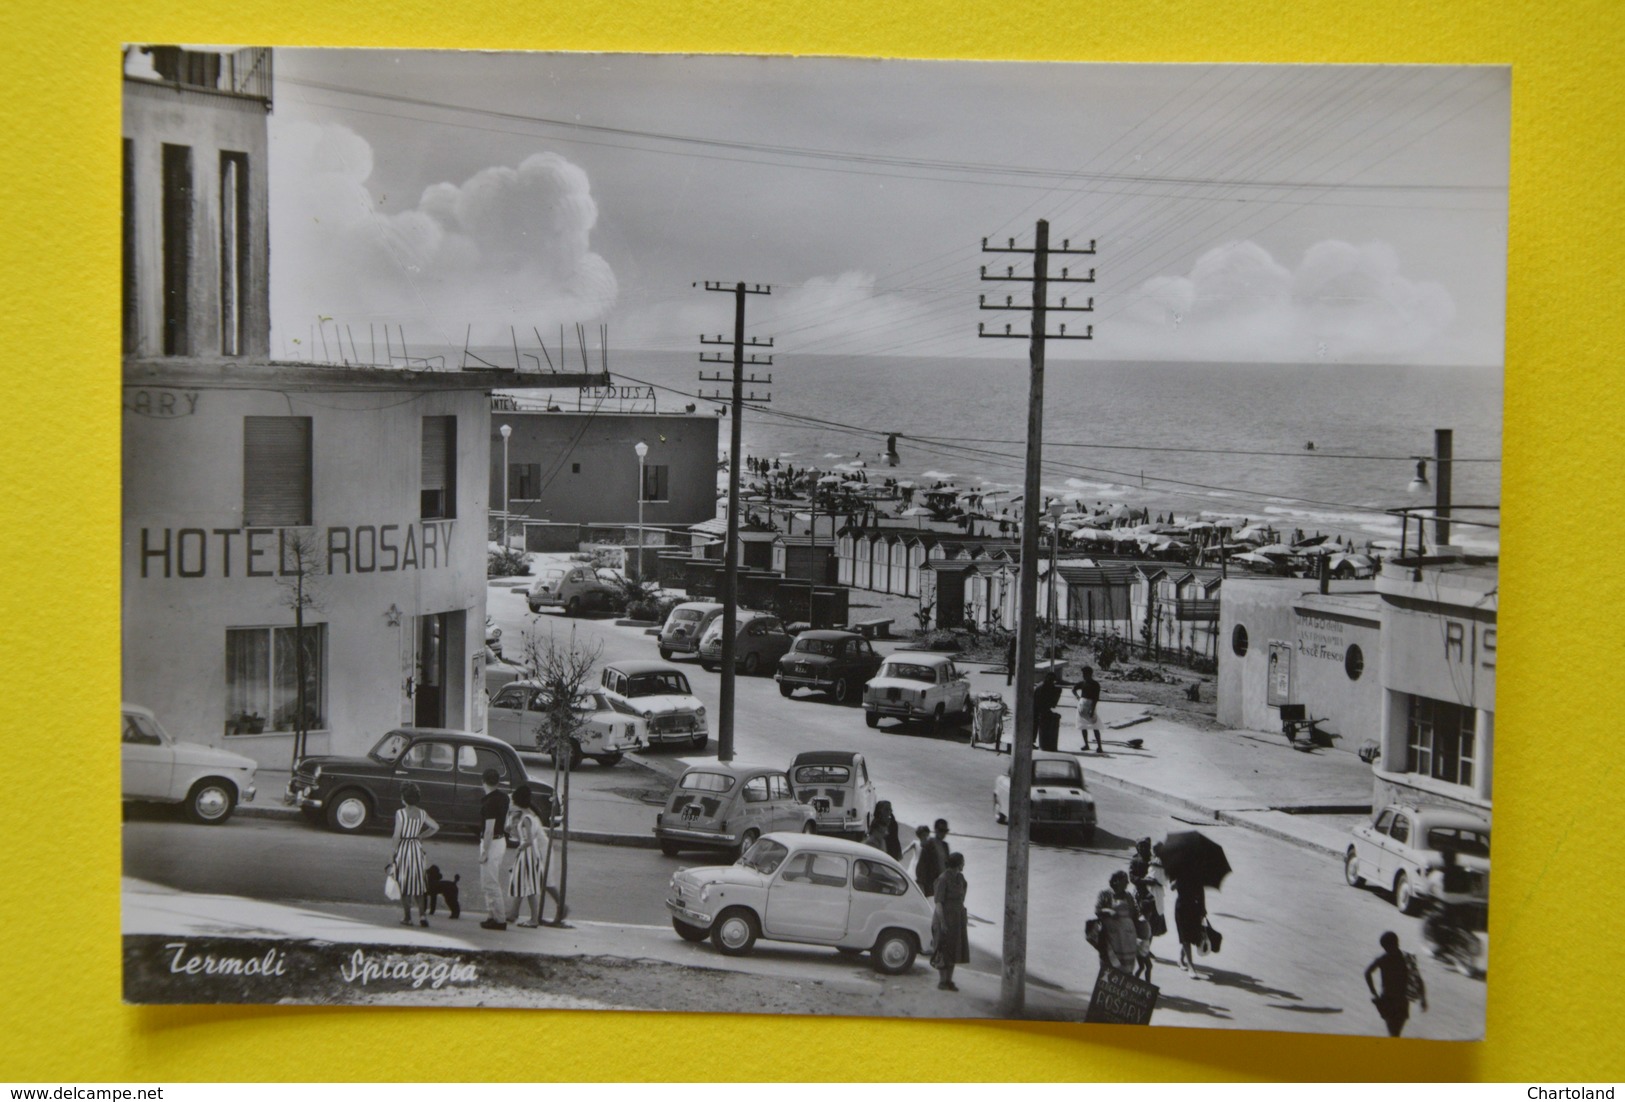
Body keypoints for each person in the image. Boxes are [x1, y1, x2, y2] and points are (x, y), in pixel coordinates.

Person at [389, 782, 440, 927]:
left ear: (403, 798)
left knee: (405, 885)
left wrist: (391, 855)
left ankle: (408, 918)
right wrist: (422, 835)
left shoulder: (400, 813)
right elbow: (435, 827)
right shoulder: (422, 813)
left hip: (404, 849)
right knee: (418, 885)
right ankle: (423, 916)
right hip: (416, 849)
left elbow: (396, 836)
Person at [1366, 931, 1426, 1037]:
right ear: (1397, 942)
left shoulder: (1383, 959)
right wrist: (1423, 999)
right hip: (1402, 1001)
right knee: (1396, 1032)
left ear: (1384, 947)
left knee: (1393, 1032)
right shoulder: (1407, 958)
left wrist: (1373, 992)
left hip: (1387, 1000)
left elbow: (1367, 973)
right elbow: (1418, 979)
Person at [505, 785, 547, 928]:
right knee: (521, 883)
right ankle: (513, 913)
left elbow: (528, 840)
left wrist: (520, 848)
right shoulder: (530, 815)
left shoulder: (526, 819)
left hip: (527, 854)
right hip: (531, 854)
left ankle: (534, 919)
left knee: (528, 887)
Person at [930, 852, 970, 991]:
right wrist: (942, 923)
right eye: (963, 861)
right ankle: (942, 981)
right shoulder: (943, 879)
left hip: (957, 919)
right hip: (944, 918)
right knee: (943, 948)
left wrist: (960, 914)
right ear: (957, 863)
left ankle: (949, 981)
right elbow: (939, 903)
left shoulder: (960, 878)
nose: (964, 864)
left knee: (955, 949)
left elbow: (963, 895)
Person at [477, 769, 511, 931]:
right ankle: (492, 915)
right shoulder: (503, 797)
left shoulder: (488, 802)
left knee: (490, 882)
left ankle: (499, 919)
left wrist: (484, 851)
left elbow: (489, 829)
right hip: (500, 840)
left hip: (491, 842)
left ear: (483, 781)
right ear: (497, 782)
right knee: (488, 881)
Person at [1097, 869, 1143, 975]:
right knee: (1109, 963)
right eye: (1124, 881)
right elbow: (1098, 910)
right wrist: (1108, 911)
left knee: (1126, 966)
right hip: (1110, 937)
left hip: (1127, 938)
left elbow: (1136, 914)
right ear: (1116, 881)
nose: (1127, 883)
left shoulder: (1128, 896)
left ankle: (1123, 987)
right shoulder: (1105, 894)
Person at [1172, 873, 1208, 976]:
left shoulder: (1196, 873)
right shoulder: (1177, 870)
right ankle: (1191, 966)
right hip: (1181, 908)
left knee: (1191, 937)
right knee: (1185, 937)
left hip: (1194, 908)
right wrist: (1176, 881)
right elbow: (1171, 887)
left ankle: (1180, 958)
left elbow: (1201, 892)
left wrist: (1203, 909)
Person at [914, 819, 949, 896]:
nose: (943, 833)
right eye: (941, 830)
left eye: (945, 831)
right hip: (931, 884)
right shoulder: (929, 844)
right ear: (935, 830)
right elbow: (921, 866)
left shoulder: (945, 845)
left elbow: (947, 865)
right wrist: (921, 885)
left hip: (942, 884)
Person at [1074, 665, 1103, 753]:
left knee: (1095, 726)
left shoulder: (1095, 684)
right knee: (1083, 726)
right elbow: (1074, 689)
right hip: (1082, 705)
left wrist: (1092, 709)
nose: (1083, 675)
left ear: (1089, 674)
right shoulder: (1083, 683)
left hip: (1091, 705)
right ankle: (1086, 744)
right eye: (1083, 674)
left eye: (1085, 674)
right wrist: (1078, 697)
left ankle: (1099, 746)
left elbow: (1096, 698)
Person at [1034, 670, 1062, 753]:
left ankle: (1042, 743)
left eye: (1052, 680)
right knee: (1035, 725)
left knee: (1037, 725)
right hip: (1037, 708)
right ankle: (1036, 742)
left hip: (1041, 708)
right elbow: (1041, 701)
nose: (1051, 682)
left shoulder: (1046, 685)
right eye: (1050, 680)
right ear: (1047, 678)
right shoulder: (1043, 686)